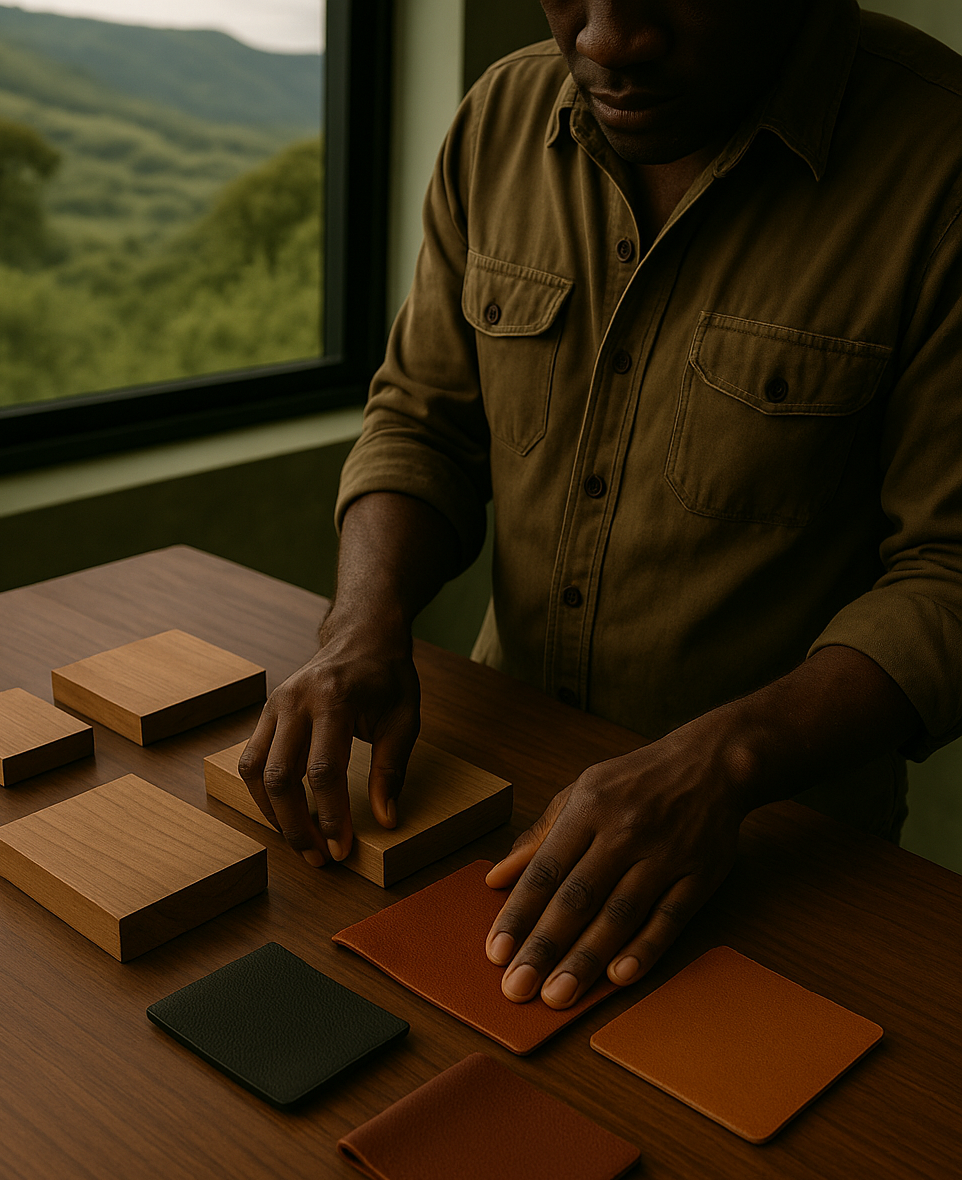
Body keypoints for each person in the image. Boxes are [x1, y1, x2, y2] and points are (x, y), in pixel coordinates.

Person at [240, 0, 962, 1010]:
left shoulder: (941, 160)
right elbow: (423, 420)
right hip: (493, 796)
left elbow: (950, 569)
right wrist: (361, 620)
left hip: (778, 856)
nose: (608, 40)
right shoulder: (501, 115)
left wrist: (721, 763)